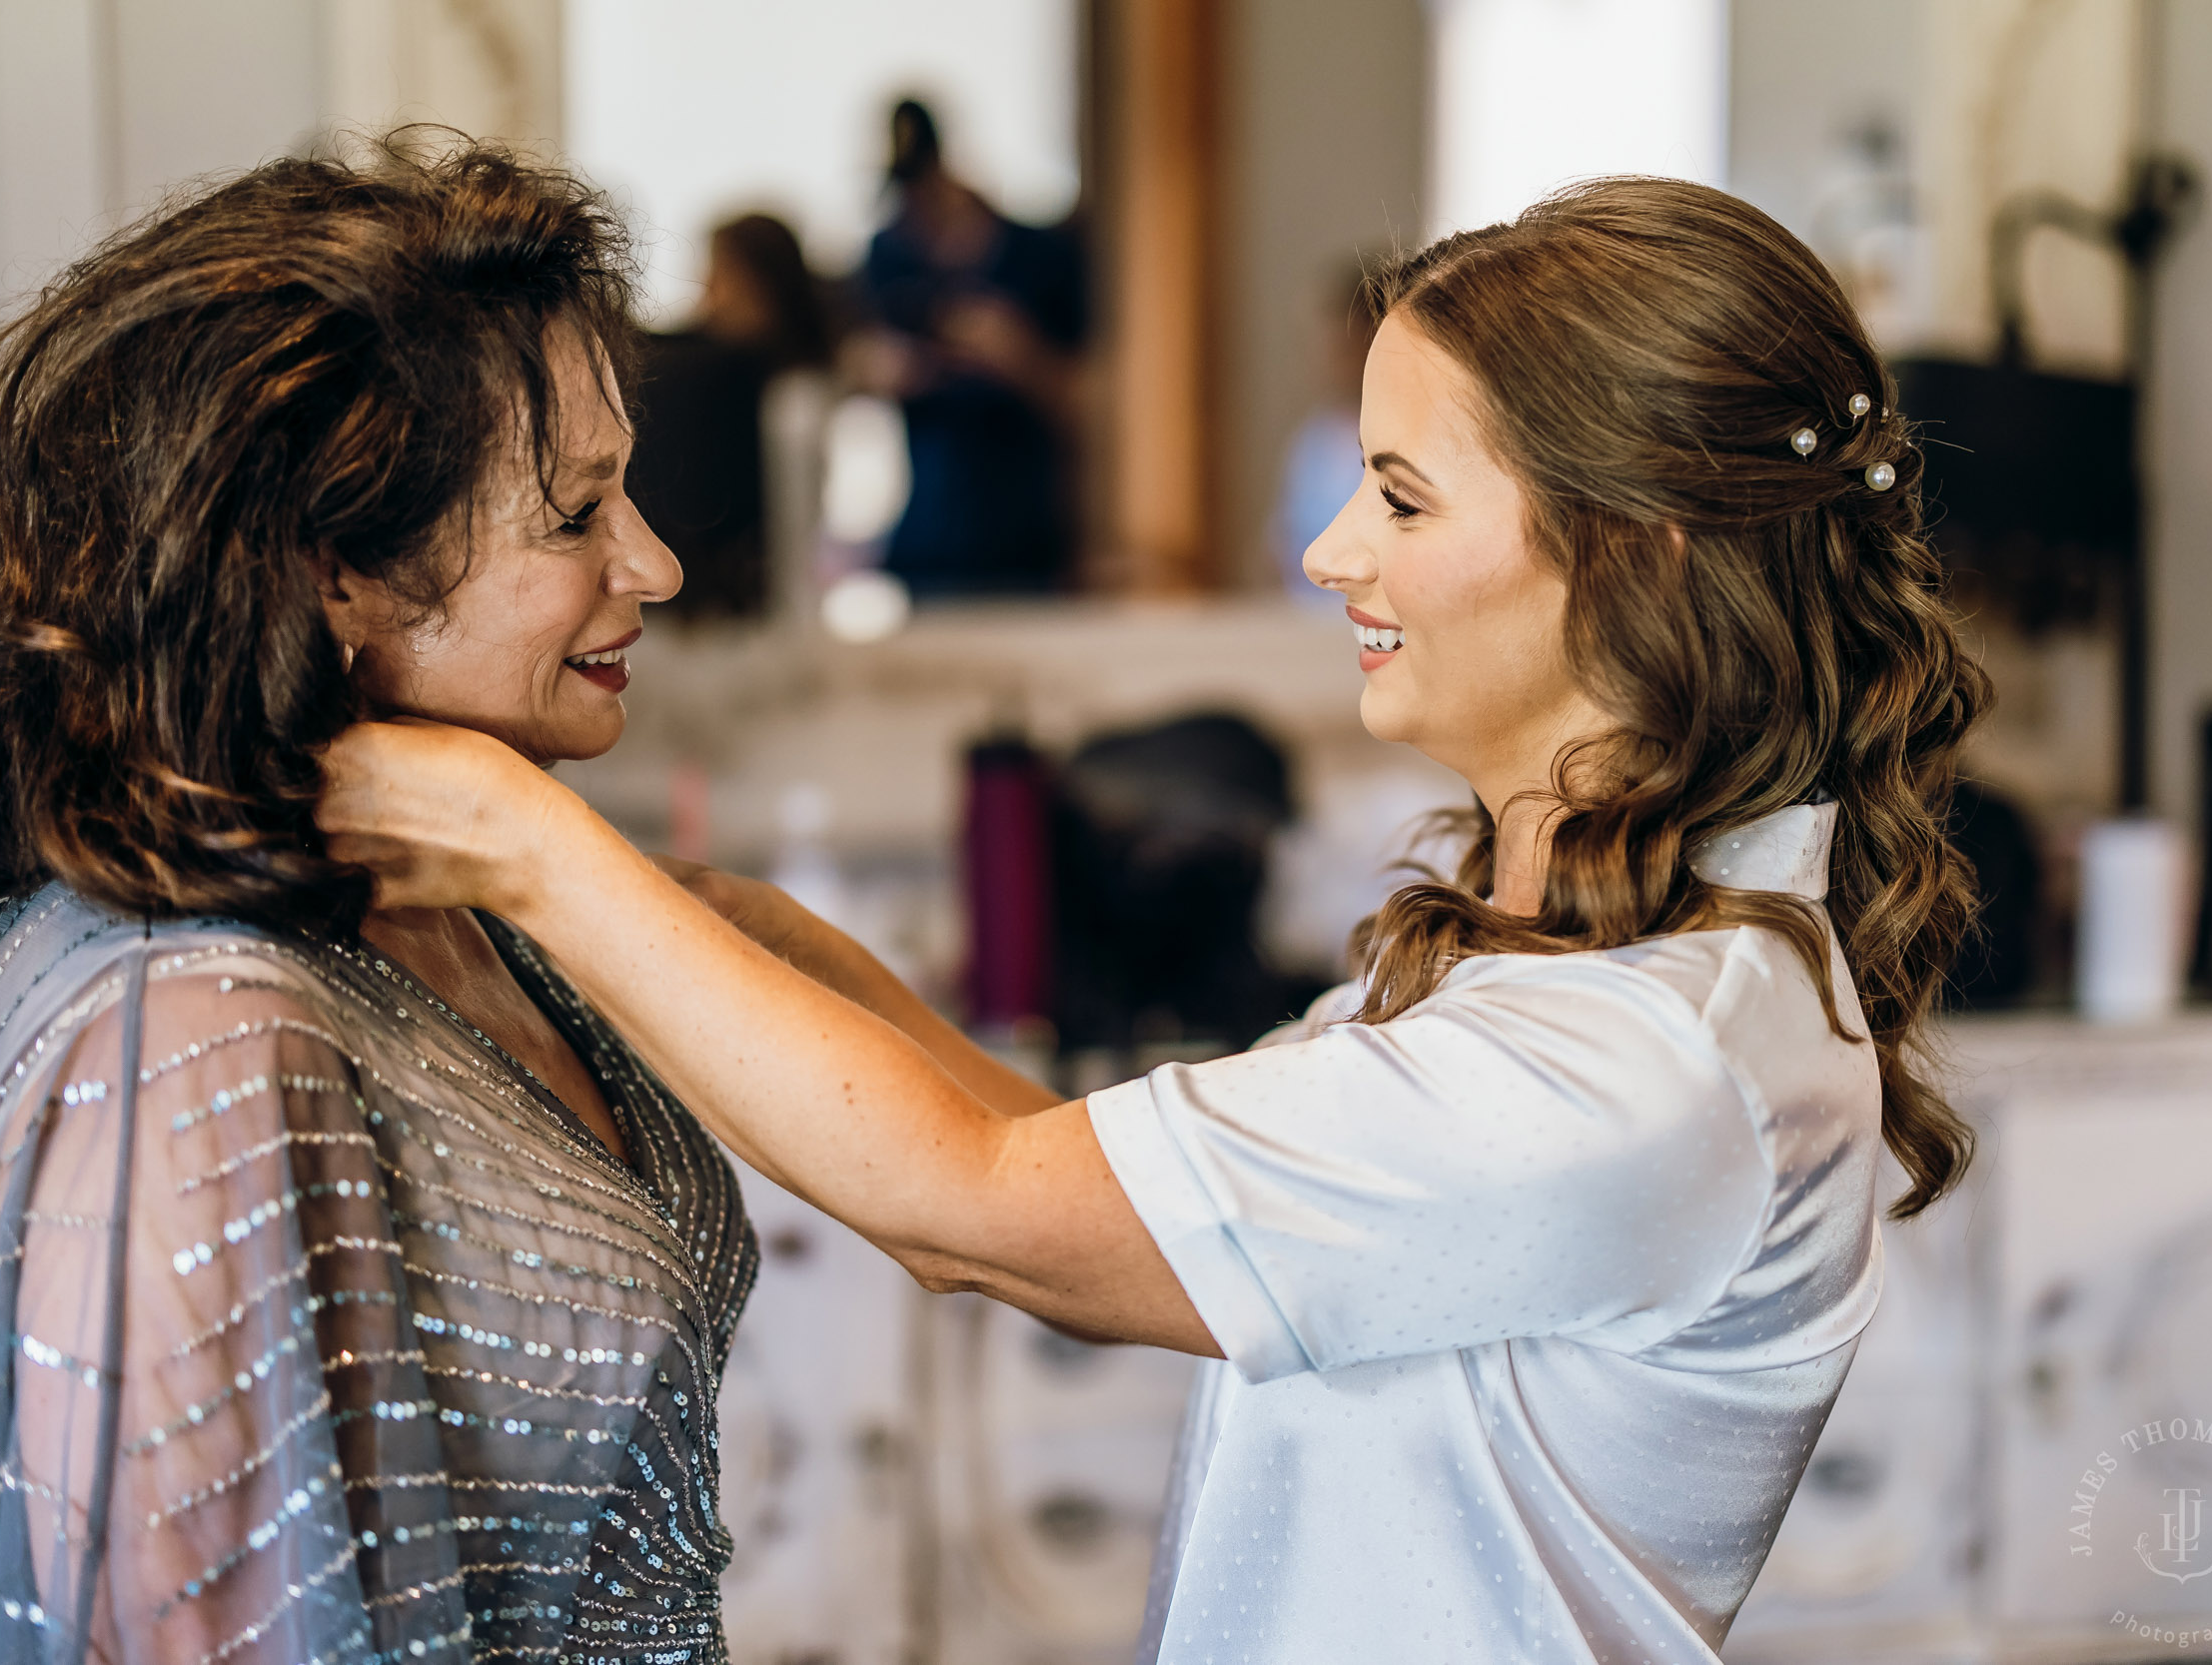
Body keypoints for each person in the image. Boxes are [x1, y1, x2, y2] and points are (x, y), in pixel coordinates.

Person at [319, 178, 1990, 1663]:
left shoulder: (1632, 1069)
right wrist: (714, 917)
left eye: (1401, 498)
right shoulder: (1609, 982)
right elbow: (1047, 1153)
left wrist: (524, 843)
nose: (1336, 549)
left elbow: (978, 1210)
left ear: (1635, 553)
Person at [0, 139, 757, 1664]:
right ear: (335, 567)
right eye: (574, 515)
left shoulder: (446, 894)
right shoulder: (192, 1031)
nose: (653, 562)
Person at [849, 97, 1087, 596]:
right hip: (927, 538)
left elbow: (1091, 400)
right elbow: (854, 364)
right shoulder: (887, 258)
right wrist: (876, 371)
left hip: (1025, 539)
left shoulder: (1038, 258)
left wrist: (1020, 354)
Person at [626, 213, 834, 620]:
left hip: (769, 600)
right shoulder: (706, 373)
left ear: (765, 285)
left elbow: (792, 527)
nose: (708, 294)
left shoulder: (795, 397)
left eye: (720, 277)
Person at [1267, 261, 1380, 605]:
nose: (1329, 361)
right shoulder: (1313, 440)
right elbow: (1280, 545)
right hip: (1309, 625)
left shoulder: (1406, 442)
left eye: (1344, 348)